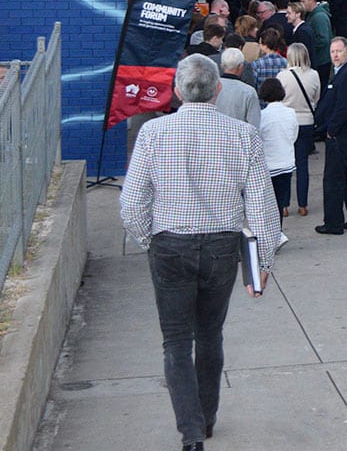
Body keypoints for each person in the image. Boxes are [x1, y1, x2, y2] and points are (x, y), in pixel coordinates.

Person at [119, 55, 280, 451]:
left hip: (170, 243)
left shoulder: (153, 133)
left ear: (176, 90)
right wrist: (262, 262)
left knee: (175, 340)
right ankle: (206, 419)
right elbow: (262, 205)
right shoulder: (243, 135)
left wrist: (149, 240)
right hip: (221, 247)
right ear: (218, 89)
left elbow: (132, 203)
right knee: (210, 334)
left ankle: (190, 433)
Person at [315, 38, 347, 235]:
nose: (335, 55)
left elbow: (343, 107)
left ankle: (334, 223)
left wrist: (331, 130)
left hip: (342, 136)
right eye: (332, 52)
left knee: (334, 181)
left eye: (338, 51)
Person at [278, 43, 319, 216]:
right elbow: (316, 98)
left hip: (287, 121)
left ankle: (284, 205)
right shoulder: (314, 75)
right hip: (306, 121)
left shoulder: (282, 76)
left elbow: (279, 99)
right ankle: (303, 204)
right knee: (302, 165)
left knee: (286, 165)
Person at [257, 78, 298, 235]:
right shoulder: (291, 113)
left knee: (267, 203)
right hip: (286, 162)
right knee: (280, 201)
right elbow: (293, 136)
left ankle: (267, 233)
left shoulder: (262, 116)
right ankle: (277, 232)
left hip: (269, 164)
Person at [214, 48, 263, 128]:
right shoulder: (249, 92)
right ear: (240, 66)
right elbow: (254, 125)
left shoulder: (211, 88)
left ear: (222, 65)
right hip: (238, 134)